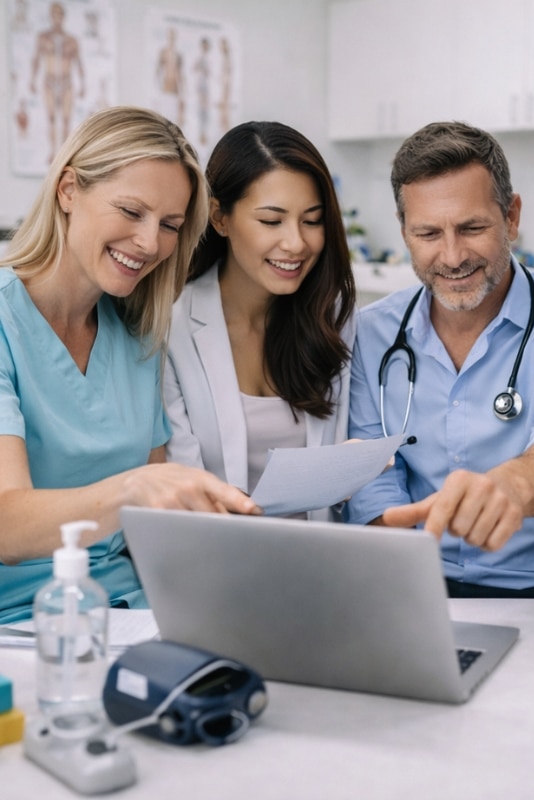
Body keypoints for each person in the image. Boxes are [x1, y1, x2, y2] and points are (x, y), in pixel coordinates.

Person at [0, 106, 259, 624]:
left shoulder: (138, 335)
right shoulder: (7, 321)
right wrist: (132, 490)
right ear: (68, 190)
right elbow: (7, 526)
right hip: (26, 621)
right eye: (131, 211)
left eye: (170, 225)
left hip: (134, 611)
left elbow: (156, 530)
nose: (149, 243)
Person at [345, 121, 534, 599]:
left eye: (472, 228)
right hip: (412, 583)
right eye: (428, 233)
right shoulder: (371, 334)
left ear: (511, 217)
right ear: (405, 232)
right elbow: (374, 480)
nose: (452, 256)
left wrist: (511, 487)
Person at [164, 121, 357, 520]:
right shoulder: (171, 326)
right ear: (220, 217)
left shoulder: (333, 314)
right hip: (217, 549)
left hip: (322, 551)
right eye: (272, 221)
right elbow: (182, 484)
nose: (296, 243)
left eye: (312, 220)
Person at [29, 2, 85, 163]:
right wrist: (32, 79)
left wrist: (83, 84)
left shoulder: (72, 40)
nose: (57, 18)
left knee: (66, 119)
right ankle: (53, 151)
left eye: (60, 14)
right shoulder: (43, 38)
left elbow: (79, 62)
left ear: (63, 17)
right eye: (54, 14)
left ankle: (65, 155)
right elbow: (36, 59)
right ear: (50, 16)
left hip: (66, 82)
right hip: (50, 81)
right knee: (51, 117)